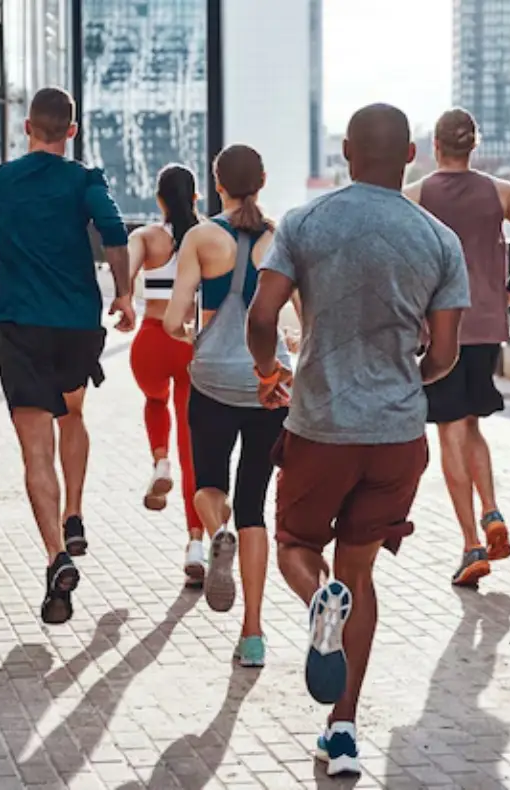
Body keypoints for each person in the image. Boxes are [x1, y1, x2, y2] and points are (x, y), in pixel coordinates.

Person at [246, 103, 470, 776]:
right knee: (360, 572)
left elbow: (262, 316)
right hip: (397, 436)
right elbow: (445, 356)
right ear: (411, 156)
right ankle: (341, 731)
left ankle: (319, 599)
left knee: (295, 545)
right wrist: (406, 379)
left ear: (346, 151)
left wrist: (270, 372)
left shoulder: (304, 222)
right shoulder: (439, 240)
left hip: (321, 426)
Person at [0, 87, 134, 626]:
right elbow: (114, 232)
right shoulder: (85, 180)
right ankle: (75, 511)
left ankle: (56, 553)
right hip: (77, 325)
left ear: (27, 127)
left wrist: (3, 234)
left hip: (20, 328)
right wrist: (124, 293)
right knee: (72, 414)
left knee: (36, 450)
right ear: (71, 131)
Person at [404, 108, 510, 587]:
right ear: (474, 146)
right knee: (470, 423)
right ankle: (491, 511)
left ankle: (471, 544)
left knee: (450, 429)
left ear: (435, 147)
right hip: (487, 324)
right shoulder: (502, 192)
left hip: (441, 329)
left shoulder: (415, 196)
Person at [163, 144, 293, 669]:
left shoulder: (200, 237)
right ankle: (254, 635)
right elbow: (303, 321)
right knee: (255, 502)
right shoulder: (284, 236)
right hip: (268, 382)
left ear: (217, 184)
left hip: (213, 379)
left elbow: (173, 319)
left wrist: (193, 334)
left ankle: (219, 533)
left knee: (208, 484)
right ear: (263, 180)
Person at [127, 164, 206, 581]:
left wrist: (123, 300)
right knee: (193, 451)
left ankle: (159, 462)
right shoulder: (209, 236)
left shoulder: (146, 237)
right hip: (192, 344)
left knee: (155, 400)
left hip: (152, 340)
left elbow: (124, 274)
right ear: (195, 198)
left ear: (160, 200)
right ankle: (196, 545)